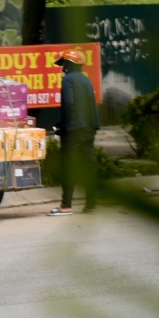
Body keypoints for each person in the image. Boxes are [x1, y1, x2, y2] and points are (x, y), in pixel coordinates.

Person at [48, 48, 100, 216]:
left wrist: (62, 126)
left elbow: (68, 104)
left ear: (69, 64)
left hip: (73, 130)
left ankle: (66, 205)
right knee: (88, 166)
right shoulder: (86, 80)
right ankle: (91, 205)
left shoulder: (68, 80)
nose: (62, 67)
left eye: (63, 63)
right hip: (89, 129)